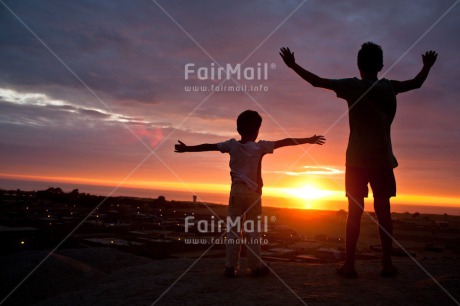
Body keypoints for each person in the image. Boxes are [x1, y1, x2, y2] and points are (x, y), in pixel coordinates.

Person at [280, 42, 437, 278]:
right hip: (382, 160)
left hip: (356, 161)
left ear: (358, 65)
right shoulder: (389, 87)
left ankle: (350, 265)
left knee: (354, 212)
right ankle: (386, 264)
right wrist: (426, 66)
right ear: (381, 65)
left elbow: (317, 81)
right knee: (384, 212)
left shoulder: (353, 86)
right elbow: (416, 83)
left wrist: (293, 66)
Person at [175, 110, 325, 277]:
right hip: (254, 194)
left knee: (233, 230)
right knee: (253, 231)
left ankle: (230, 267)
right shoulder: (260, 146)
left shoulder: (231, 145)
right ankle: (255, 267)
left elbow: (209, 146)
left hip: (236, 192)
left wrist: (187, 149)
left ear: (239, 129)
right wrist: (309, 140)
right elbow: (285, 142)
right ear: (257, 130)